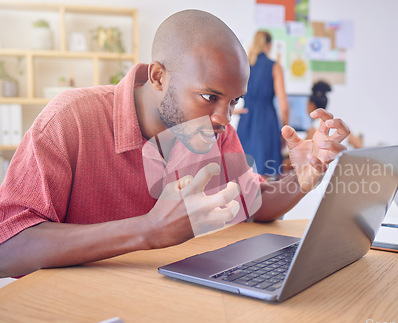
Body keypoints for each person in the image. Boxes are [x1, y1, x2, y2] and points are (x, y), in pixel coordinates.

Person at [0, 10, 349, 278]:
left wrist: (306, 173)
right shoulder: (71, 118)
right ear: (158, 77)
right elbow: (9, 247)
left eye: (233, 101)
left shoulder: (214, 128)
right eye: (209, 96)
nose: (224, 118)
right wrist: (147, 230)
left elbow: (256, 203)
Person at [236, 30, 289, 178]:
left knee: (244, 174)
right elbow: (283, 103)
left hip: (246, 120)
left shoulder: (244, 66)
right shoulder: (275, 67)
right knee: (264, 175)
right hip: (266, 121)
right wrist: (285, 131)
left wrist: (233, 112)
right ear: (269, 45)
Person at [305, 80, 362, 148]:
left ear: (312, 105)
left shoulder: (313, 129)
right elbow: (358, 145)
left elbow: (304, 152)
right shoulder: (339, 124)